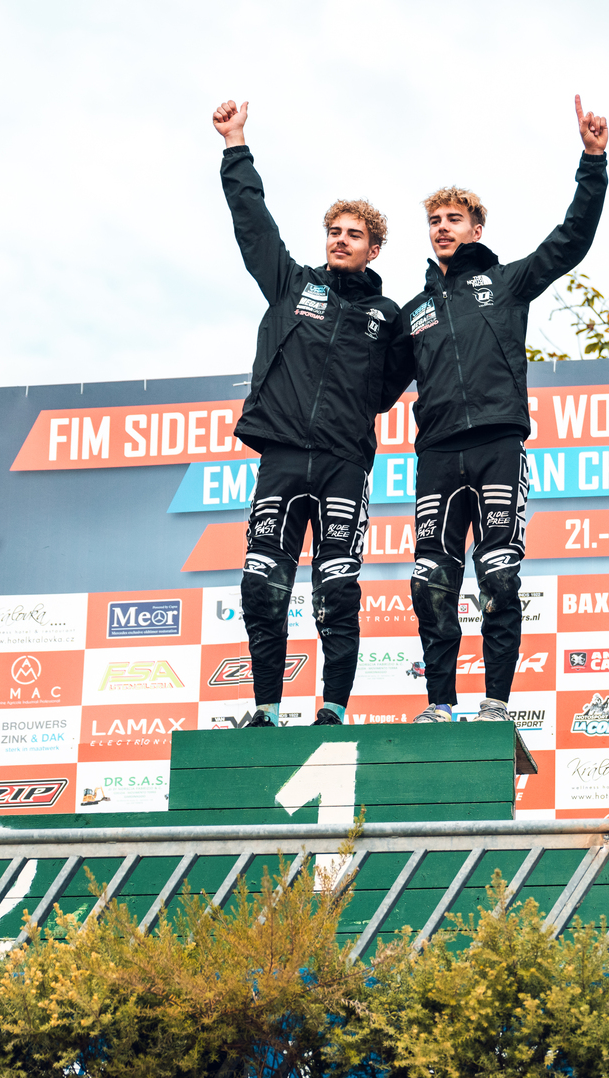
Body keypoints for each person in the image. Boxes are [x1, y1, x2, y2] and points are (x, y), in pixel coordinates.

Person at [402, 96, 609, 724]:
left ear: (476, 229)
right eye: (434, 220)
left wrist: (593, 161)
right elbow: (370, 383)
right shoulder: (414, 311)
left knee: (497, 577)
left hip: (497, 445)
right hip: (437, 453)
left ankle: (495, 704)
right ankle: (439, 705)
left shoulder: (507, 283)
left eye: (454, 218)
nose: (442, 227)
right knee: (431, 581)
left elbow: (570, 241)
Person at [214, 98, 413, 728]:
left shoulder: (388, 318)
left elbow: (387, 387)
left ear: (374, 249)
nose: (340, 241)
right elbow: (253, 222)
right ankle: (265, 708)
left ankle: (332, 708)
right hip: (281, 457)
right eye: (334, 232)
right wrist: (235, 145)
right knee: (261, 586)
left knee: (336, 591)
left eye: (353, 235)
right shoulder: (291, 284)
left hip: (342, 464)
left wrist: (348, 418)